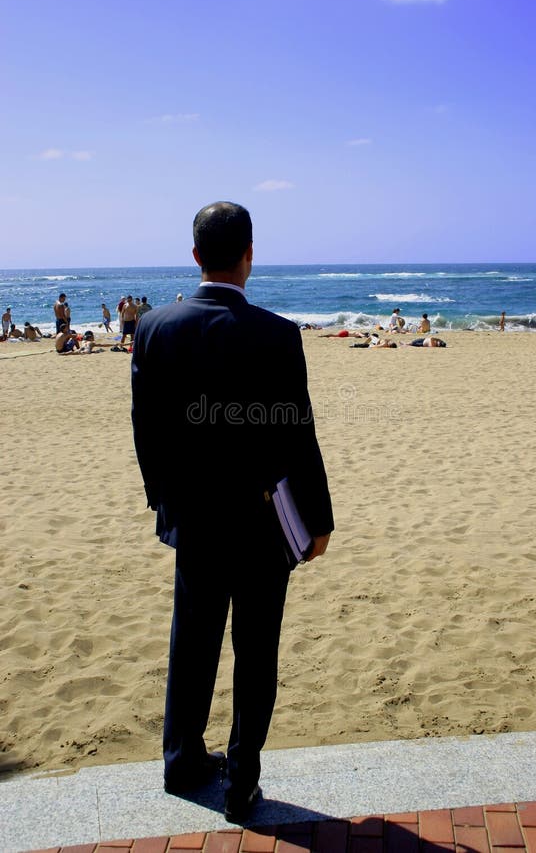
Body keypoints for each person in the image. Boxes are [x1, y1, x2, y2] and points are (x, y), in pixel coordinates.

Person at [131, 201, 334, 824]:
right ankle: (243, 781)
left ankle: (181, 761)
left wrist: (164, 499)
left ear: (195, 257)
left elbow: (147, 430)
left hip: (193, 518)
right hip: (263, 521)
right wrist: (318, 519)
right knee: (256, 648)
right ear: (250, 255)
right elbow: (298, 434)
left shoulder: (155, 327)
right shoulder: (276, 334)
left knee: (190, 642)